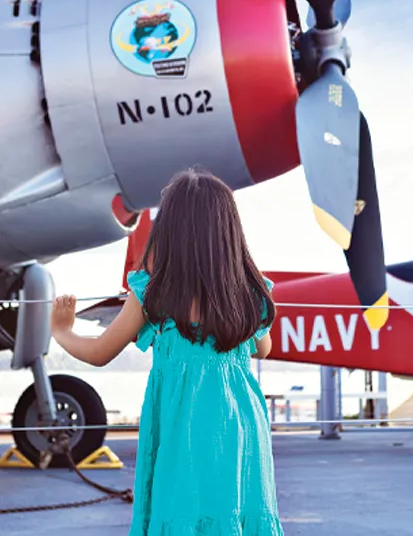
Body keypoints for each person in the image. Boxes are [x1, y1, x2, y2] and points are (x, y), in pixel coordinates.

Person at [51, 168, 284, 535]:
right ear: (229, 231)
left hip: (183, 427)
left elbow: (99, 352)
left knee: (182, 510)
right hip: (241, 426)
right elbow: (264, 348)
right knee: (236, 509)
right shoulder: (250, 293)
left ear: (169, 231)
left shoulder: (153, 293)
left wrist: (61, 330)